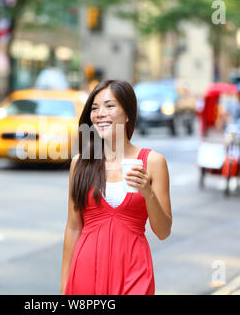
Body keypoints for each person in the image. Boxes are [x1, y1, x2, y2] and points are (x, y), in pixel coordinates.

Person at [61, 79, 172, 295]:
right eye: (94, 108)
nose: (100, 113)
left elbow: (163, 231)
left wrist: (148, 193)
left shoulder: (153, 162)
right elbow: (74, 227)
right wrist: (65, 286)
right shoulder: (80, 163)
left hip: (134, 270)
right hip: (86, 271)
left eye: (110, 106)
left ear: (128, 113)